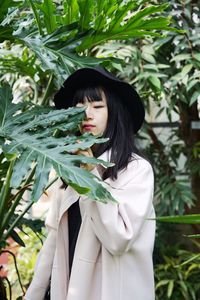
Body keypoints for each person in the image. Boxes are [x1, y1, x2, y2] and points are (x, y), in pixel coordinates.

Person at [25, 67, 155, 300]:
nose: (87, 114)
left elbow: (118, 239)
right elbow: (53, 245)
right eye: (79, 107)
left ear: (114, 112)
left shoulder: (135, 170)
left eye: (97, 106)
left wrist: (90, 176)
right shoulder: (70, 171)